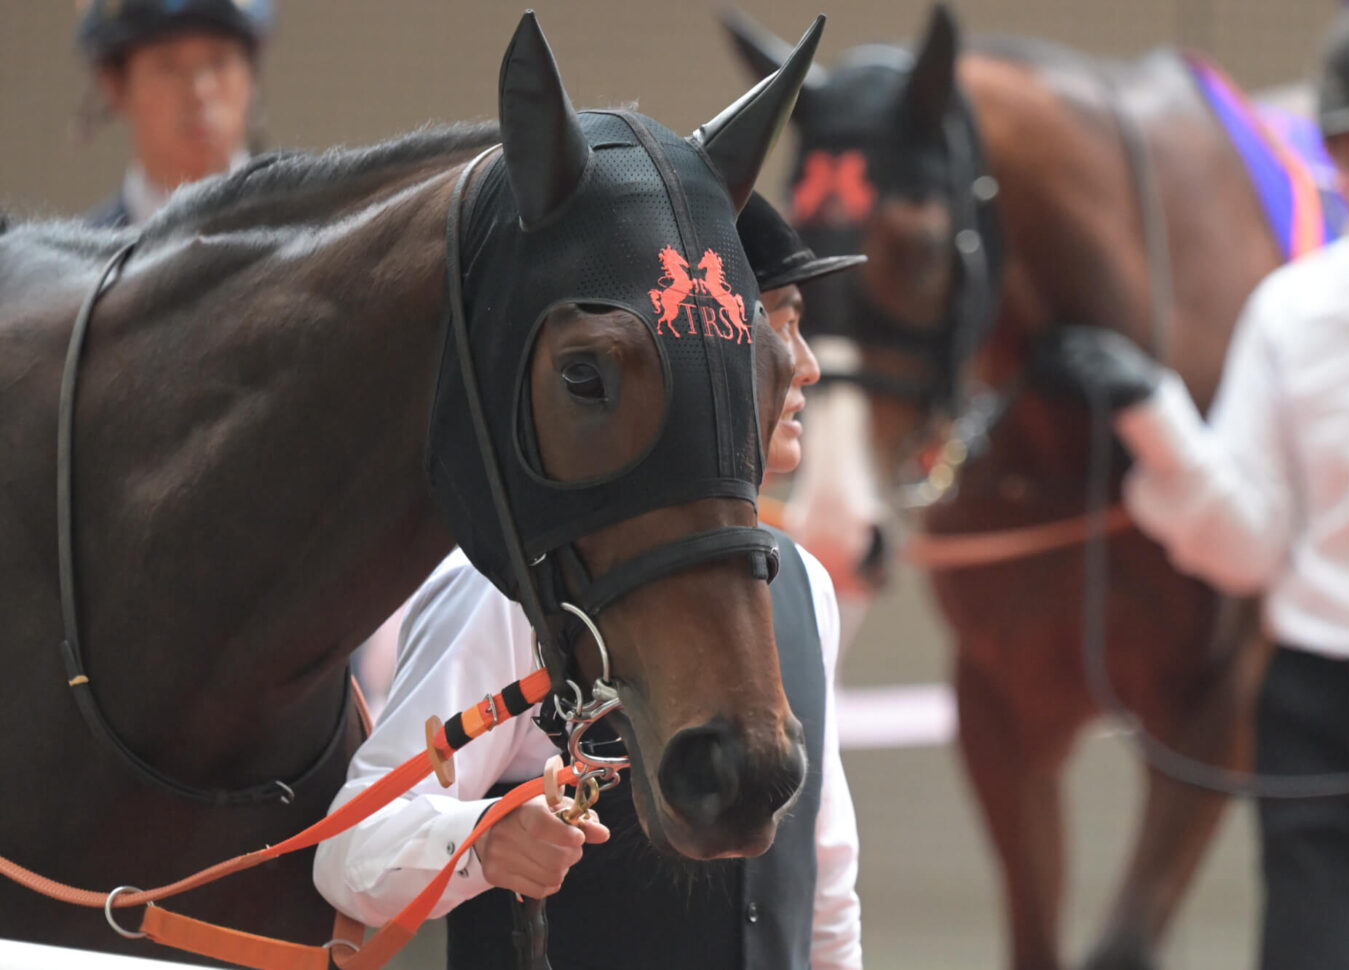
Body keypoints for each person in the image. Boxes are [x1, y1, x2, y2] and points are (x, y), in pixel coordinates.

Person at [314, 193, 867, 970]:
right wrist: (485, 843)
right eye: (775, 327)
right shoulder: (511, 588)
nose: (803, 364)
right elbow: (348, 851)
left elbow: (824, 883)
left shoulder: (805, 580)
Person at [1037, 5, 1349, 968]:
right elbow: (1252, 545)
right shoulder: (1294, 314)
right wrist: (1156, 416)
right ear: (1333, 157)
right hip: (1328, 711)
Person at [75, 0, 270, 228]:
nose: (200, 91)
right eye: (168, 65)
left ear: (250, 79)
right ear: (115, 86)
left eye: (219, 61)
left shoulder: (307, 240)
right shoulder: (82, 260)